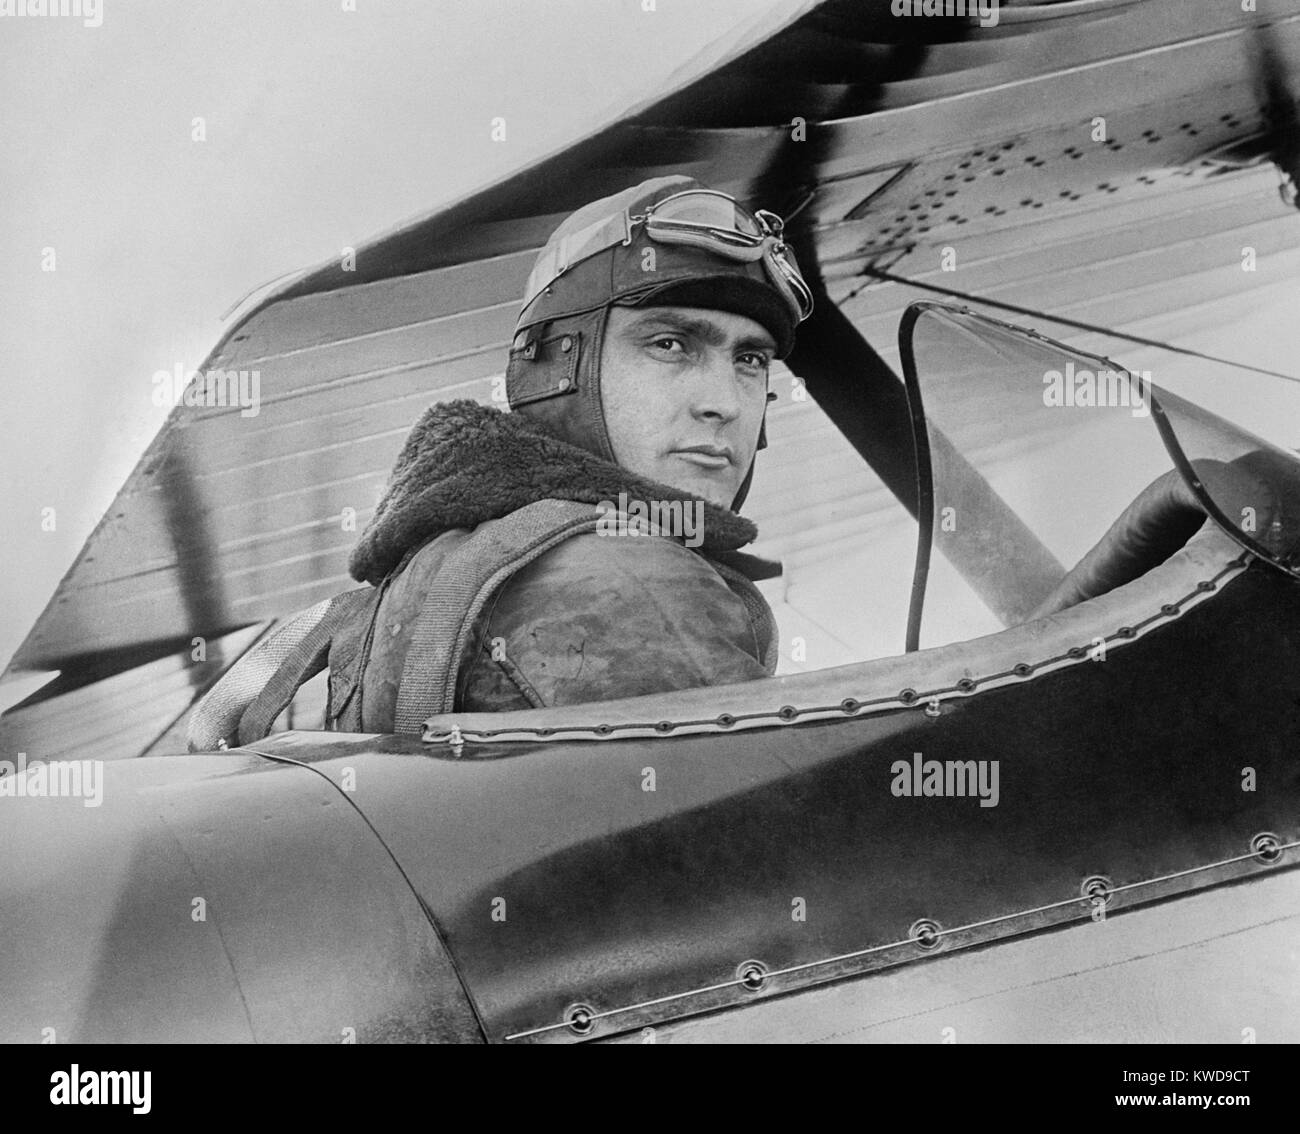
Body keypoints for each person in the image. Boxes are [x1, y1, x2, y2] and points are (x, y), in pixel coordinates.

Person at [327, 176, 814, 727]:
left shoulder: (456, 550)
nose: (725, 404)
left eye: (750, 360)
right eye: (670, 345)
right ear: (557, 372)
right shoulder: (631, 581)